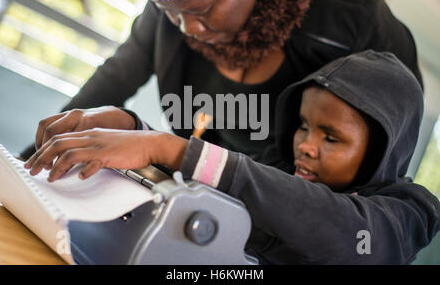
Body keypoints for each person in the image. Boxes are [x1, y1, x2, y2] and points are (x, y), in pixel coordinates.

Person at [25, 50, 440, 264]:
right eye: (303, 125)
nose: (306, 145)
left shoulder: (408, 214)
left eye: (331, 137)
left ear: (381, 150)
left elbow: (342, 232)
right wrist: (133, 129)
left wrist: (166, 146)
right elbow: (220, 172)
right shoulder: (285, 173)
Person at [20, 0, 422, 161]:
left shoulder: (350, 15)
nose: (188, 28)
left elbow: (394, 129)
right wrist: (37, 154)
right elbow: (116, 76)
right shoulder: (172, 12)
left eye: (205, 8)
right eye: (171, 13)